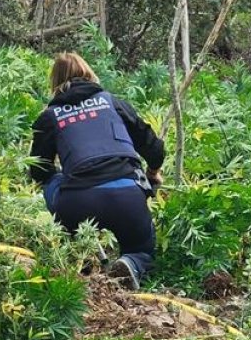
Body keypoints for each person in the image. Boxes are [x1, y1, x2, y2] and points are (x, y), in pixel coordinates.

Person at [28, 52, 164, 290]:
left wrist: (61, 174)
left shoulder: (49, 117)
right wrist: (153, 173)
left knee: (53, 181)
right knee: (142, 250)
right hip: (127, 196)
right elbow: (154, 148)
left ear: (54, 83)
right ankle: (130, 262)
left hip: (77, 202)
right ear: (89, 74)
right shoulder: (112, 102)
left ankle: (81, 251)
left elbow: (38, 170)